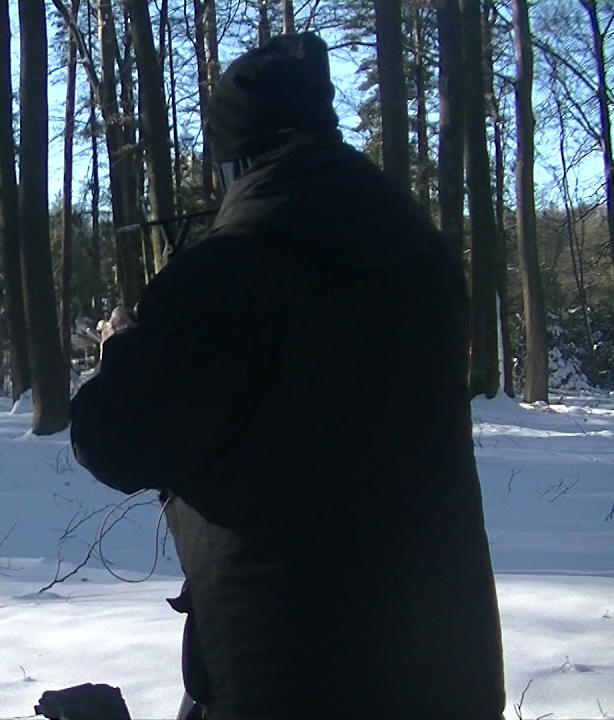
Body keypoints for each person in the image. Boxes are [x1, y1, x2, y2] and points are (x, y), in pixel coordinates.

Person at [69, 32, 506, 720]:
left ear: (236, 159)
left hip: (288, 672)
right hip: (450, 668)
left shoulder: (225, 274)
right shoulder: (422, 257)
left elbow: (114, 441)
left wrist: (123, 349)